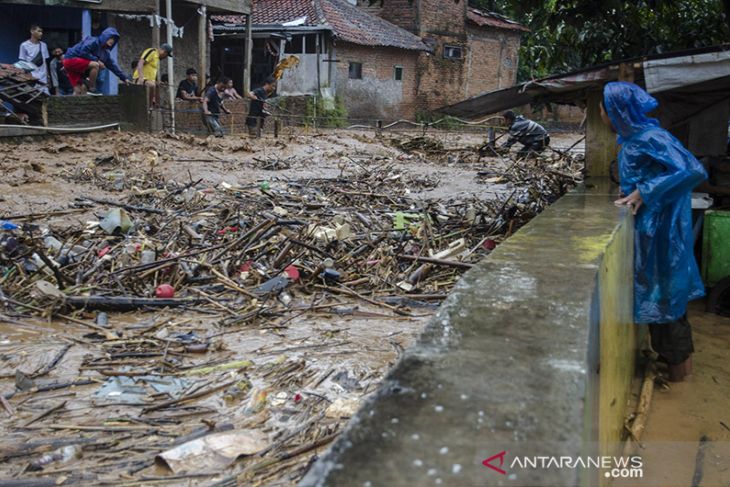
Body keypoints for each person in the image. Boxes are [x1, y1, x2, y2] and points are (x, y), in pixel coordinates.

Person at [602, 81, 707, 382]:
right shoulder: (635, 139)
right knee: (663, 303)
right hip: (653, 232)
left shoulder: (651, 137)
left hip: (663, 233)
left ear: (618, 111)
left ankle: (680, 382)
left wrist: (644, 192)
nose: (602, 116)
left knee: (667, 305)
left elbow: (693, 170)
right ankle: (678, 378)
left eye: (604, 110)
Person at [63, 27, 130, 95]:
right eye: (110, 38)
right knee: (96, 65)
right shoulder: (93, 41)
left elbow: (113, 66)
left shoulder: (105, 53)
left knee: (79, 90)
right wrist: (96, 60)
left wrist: (124, 78)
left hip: (75, 66)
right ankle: (92, 88)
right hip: (71, 59)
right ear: (105, 36)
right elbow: (83, 51)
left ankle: (77, 103)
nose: (112, 41)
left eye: (114, 39)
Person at [18, 24, 50, 95]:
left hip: (43, 78)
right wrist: (28, 77)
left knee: (46, 97)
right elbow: (23, 63)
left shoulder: (44, 45)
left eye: (41, 32)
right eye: (39, 31)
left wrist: (48, 76)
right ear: (32, 31)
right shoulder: (24, 45)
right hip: (32, 77)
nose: (41, 33)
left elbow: (45, 62)